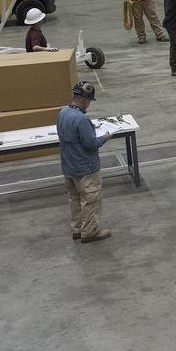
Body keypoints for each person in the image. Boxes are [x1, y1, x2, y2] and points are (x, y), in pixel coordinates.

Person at [58, 82, 111, 243]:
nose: (89, 104)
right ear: (84, 99)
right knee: (90, 199)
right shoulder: (81, 119)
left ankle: (77, 228)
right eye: (89, 101)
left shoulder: (62, 112)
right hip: (86, 168)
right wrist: (106, 136)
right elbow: (92, 143)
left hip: (69, 166)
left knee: (74, 198)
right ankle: (90, 231)